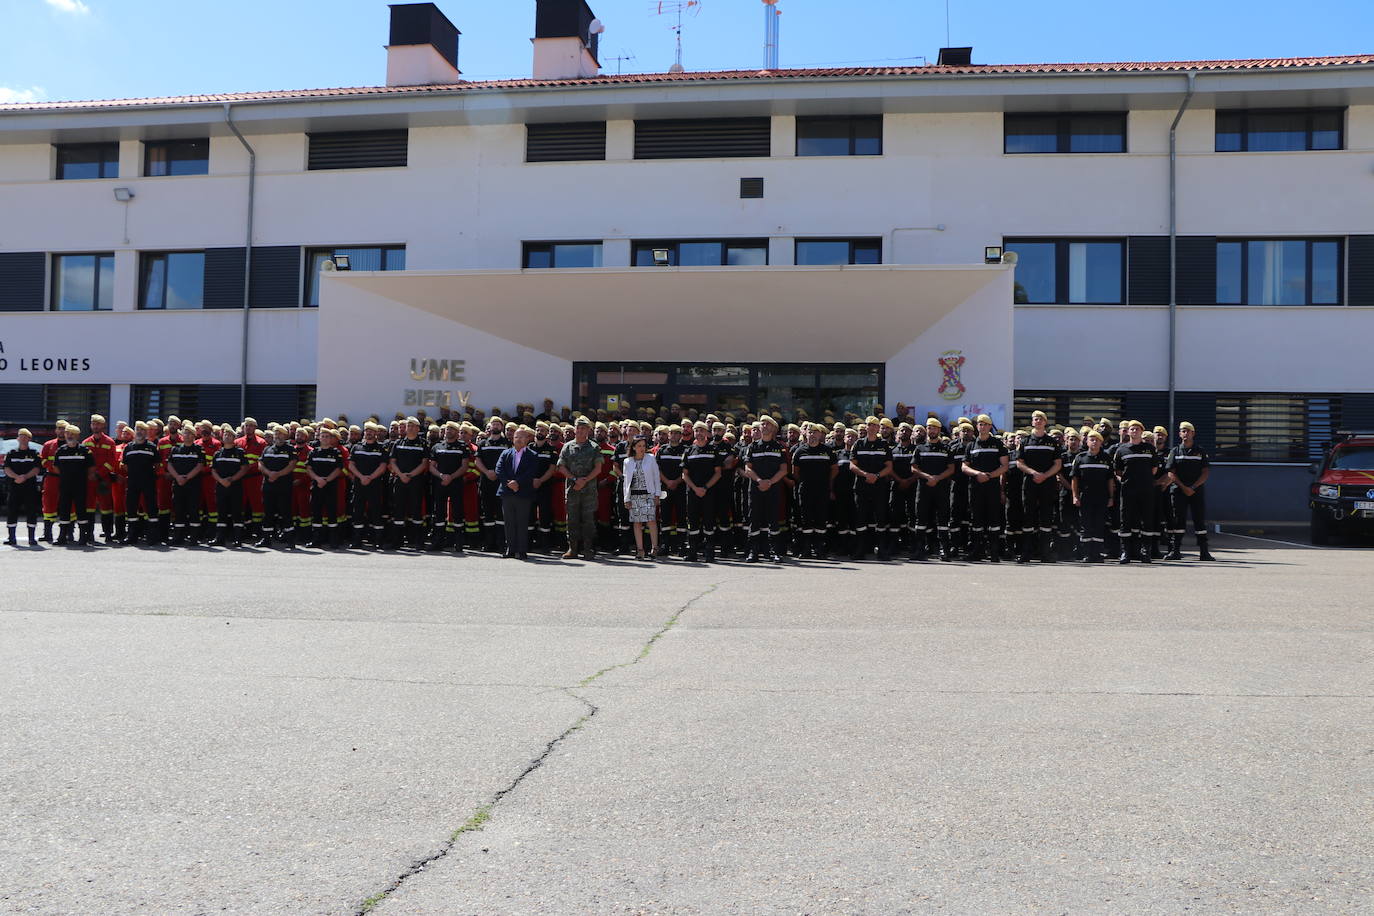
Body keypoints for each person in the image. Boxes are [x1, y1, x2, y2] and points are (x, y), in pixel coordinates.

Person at [1016, 410, 1064, 564]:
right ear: (1032, 422)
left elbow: (1058, 464)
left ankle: (1045, 553)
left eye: (1040, 419)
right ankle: (1026, 553)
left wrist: (1045, 475)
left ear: (1045, 422)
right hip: (1030, 483)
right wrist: (1034, 473)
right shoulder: (1025, 441)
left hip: (1047, 484)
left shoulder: (1052, 442)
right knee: (1027, 517)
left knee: (1046, 519)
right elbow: (1019, 463)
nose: (1037, 421)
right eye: (1035, 419)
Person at [961, 414, 1009, 562]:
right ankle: (977, 551)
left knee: (993, 519)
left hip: (992, 487)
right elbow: (964, 466)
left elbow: (1005, 466)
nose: (982, 427)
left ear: (989, 426)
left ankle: (994, 552)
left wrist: (989, 476)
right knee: (976, 520)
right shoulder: (971, 445)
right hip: (976, 487)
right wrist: (978, 474)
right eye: (979, 424)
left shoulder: (997, 444)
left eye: (985, 424)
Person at [1166, 420, 1215, 561]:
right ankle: (1175, 551)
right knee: (1177, 521)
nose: (1185, 433)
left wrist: (1192, 487)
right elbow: (1170, 473)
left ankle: (1204, 552)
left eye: (1188, 431)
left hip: (1196, 491)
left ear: (1193, 433)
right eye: (1183, 431)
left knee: (1199, 520)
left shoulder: (1200, 451)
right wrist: (1183, 487)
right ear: (1180, 434)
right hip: (1179, 491)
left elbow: (1205, 472)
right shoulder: (1174, 451)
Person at [556, 416, 603, 560]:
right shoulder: (567, 446)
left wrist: (585, 481)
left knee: (588, 519)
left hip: (589, 490)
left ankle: (588, 549)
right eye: (578, 428)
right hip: (572, 489)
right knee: (572, 519)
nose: (580, 430)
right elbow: (561, 466)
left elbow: (598, 468)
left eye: (583, 428)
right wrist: (574, 479)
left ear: (588, 430)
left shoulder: (594, 447)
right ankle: (573, 548)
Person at [743, 416, 789, 563]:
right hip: (756, 489)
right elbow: (747, 468)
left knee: (773, 521)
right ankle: (753, 552)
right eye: (762, 424)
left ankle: (774, 552)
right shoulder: (752, 446)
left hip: (773, 489)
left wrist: (769, 482)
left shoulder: (779, 447)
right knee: (754, 520)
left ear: (773, 428)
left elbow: (783, 470)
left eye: (767, 424)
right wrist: (759, 481)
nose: (764, 426)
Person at [1114, 420, 1160, 564]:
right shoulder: (1121, 450)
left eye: (1137, 429)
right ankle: (1125, 552)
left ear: (1141, 431)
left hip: (1146, 490)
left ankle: (1145, 552)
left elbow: (1154, 469)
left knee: (1146, 520)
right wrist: (1126, 481)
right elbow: (1117, 471)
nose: (1134, 431)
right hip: (1128, 490)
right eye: (1131, 429)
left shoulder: (1149, 448)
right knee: (1125, 520)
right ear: (1127, 432)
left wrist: (1144, 480)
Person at [850, 416, 895, 561]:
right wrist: (865, 475)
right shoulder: (858, 444)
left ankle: (882, 550)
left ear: (878, 428)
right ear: (866, 427)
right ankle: (860, 549)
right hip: (862, 487)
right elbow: (852, 465)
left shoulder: (884, 445)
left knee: (880, 518)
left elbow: (889, 467)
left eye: (875, 425)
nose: (872, 427)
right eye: (869, 425)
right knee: (861, 518)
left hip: (879, 486)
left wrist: (876, 475)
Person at [790, 423, 837, 559]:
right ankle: (806, 549)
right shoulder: (800, 451)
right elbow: (795, 472)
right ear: (806, 434)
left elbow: (834, 469)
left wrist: (826, 483)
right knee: (806, 520)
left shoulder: (828, 451)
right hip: (805, 490)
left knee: (821, 519)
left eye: (815, 433)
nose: (812, 435)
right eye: (810, 432)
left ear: (820, 435)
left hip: (822, 490)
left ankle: (819, 549)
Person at [913, 418, 956, 561]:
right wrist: (928, 477)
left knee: (943, 519)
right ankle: (920, 549)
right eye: (929, 428)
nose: (931, 430)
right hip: (924, 489)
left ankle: (944, 549)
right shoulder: (919, 448)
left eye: (934, 428)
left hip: (941, 489)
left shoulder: (946, 448)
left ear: (938, 430)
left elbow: (951, 468)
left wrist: (937, 478)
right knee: (921, 519)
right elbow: (914, 468)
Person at [494, 425, 540, 560]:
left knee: (522, 522)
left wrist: (517, 483)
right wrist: (510, 483)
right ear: (512, 439)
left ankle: (522, 550)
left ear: (527, 439)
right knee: (508, 522)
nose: (518, 439)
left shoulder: (532, 455)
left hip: (523, 493)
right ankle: (510, 549)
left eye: (521, 437)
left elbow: (530, 473)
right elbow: (499, 469)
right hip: (507, 493)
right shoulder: (505, 453)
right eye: (516, 437)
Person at [1070, 429, 1116, 562]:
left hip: (1102, 497)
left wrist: (1111, 497)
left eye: (1097, 440)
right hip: (1085, 497)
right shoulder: (1080, 458)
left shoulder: (1106, 458)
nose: (1094, 442)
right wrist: (1075, 496)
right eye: (1092, 439)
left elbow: (1110, 480)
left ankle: (1096, 554)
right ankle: (1087, 554)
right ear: (1087, 441)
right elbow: (1075, 479)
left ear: (1101, 442)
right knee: (1086, 525)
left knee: (1099, 525)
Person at [681, 421, 723, 562]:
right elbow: (684, 474)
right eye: (697, 430)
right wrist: (695, 488)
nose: (699, 433)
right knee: (692, 524)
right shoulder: (688, 451)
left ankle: (709, 553)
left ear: (707, 433)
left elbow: (718, 473)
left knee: (709, 523)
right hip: (692, 493)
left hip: (709, 493)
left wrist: (704, 488)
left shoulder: (713, 450)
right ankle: (692, 553)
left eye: (702, 430)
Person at [348, 423, 391, 550]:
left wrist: (370, 478)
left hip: (375, 485)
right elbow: (351, 465)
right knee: (358, 512)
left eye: (371, 431)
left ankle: (378, 541)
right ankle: (357, 541)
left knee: (376, 512)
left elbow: (383, 467)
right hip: (359, 484)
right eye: (367, 431)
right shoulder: (356, 447)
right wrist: (361, 477)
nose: (369, 433)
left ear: (376, 433)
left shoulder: (381, 448)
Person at [119, 422, 161, 545]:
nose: (140, 432)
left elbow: (157, 465)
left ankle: (152, 536)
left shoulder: (152, 447)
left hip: (148, 482)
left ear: (146, 432)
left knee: (151, 508)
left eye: (142, 430)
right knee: (131, 508)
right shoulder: (129, 447)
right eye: (138, 429)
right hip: (132, 482)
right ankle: (132, 536)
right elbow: (124, 465)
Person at [258, 426, 300, 549]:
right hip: (268, 485)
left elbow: (292, 465)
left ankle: (290, 540)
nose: (277, 436)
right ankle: (266, 538)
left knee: (286, 512)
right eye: (275, 433)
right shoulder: (267, 449)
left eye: (280, 434)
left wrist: (277, 474)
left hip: (283, 486)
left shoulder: (290, 449)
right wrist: (269, 473)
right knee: (268, 513)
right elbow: (260, 464)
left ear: (285, 436)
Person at [621, 436, 662, 560]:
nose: (642, 448)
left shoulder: (651, 459)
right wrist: (626, 499)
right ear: (633, 447)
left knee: (651, 521)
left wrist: (657, 494)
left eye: (644, 446)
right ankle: (640, 550)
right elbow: (626, 482)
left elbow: (656, 477)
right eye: (639, 446)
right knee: (637, 523)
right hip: (634, 495)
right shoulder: (627, 462)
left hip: (648, 494)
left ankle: (654, 548)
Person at [54, 424, 95, 546]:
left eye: (72, 433)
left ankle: (83, 537)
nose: (69, 435)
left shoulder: (85, 451)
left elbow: (91, 468)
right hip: (65, 485)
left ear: (77, 435)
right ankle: (62, 536)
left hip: (80, 486)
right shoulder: (60, 451)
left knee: (81, 511)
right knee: (64, 511)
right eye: (67, 433)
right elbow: (56, 468)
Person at [166, 432, 206, 546]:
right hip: (178, 484)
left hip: (193, 485)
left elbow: (200, 465)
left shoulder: (198, 449)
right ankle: (178, 537)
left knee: (194, 511)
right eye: (185, 434)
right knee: (179, 511)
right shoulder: (175, 449)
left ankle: (194, 538)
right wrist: (178, 477)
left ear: (194, 436)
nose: (187, 436)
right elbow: (169, 465)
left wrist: (187, 478)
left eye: (190, 434)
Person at [3, 428, 41, 547]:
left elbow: (36, 469)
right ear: (17, 438)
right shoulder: (11, 453)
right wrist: (16, 477)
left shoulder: (34, 453)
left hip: (29, 487)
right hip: (15, 487)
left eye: (26, 437)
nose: (23, 439)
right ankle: (11, 537)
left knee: (31, 511)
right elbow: (7, 468)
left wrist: (24, 477)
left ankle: (31, 538)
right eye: (21, 436)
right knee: (12, 511)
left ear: (29, 439)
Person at [210, 433, 249, 547]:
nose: (227, 437)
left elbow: (244, 468)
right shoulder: (217, 453)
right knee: (221, 513)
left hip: (235, 487)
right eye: (225, 435)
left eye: (230, 435)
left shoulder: (239, 452)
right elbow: (213, 470)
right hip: (221, 487)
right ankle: (220, 538)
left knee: (237, 512)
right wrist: (221, 481)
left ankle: (238, 539)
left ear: (234, 438)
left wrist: (232, 479)